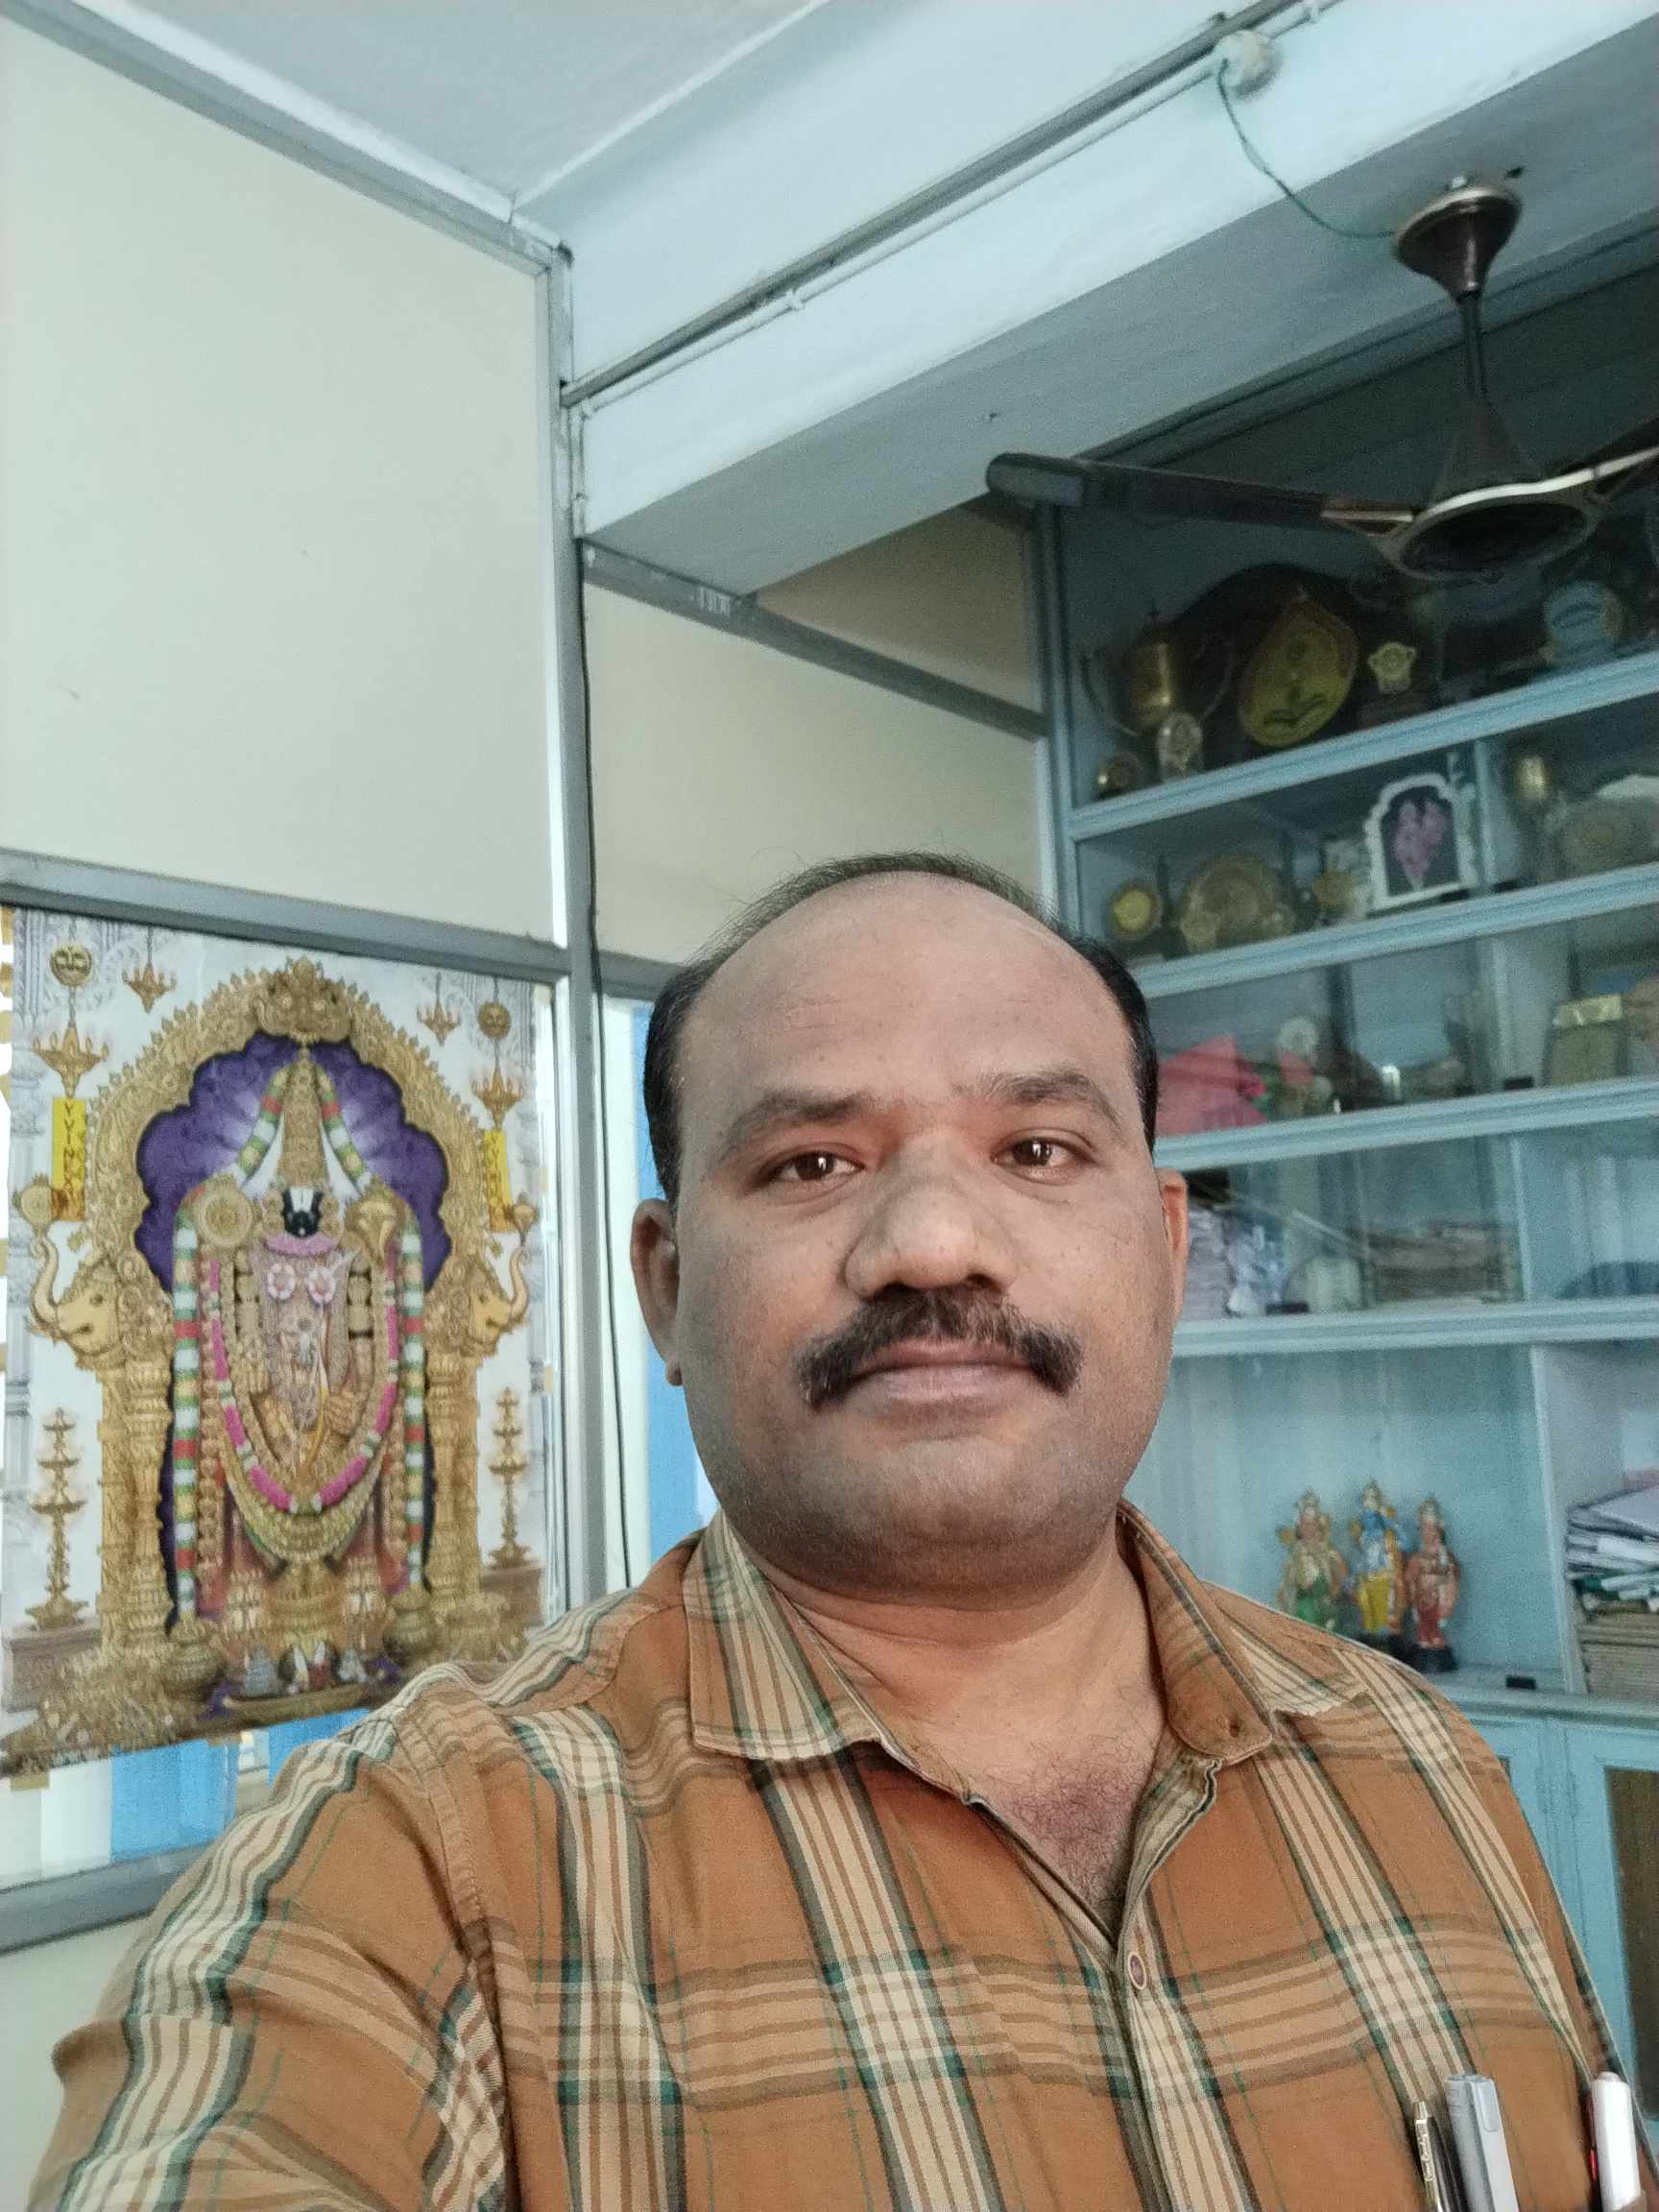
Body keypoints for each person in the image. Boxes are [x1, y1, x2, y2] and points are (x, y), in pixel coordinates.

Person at [32, 854, 1654, 2211]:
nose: (932, 1239)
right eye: (813, 1161)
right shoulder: (417, 1863)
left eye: (1037, 1149)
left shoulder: (1422, 1762)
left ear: (1169, 1255)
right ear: (668, 1288)